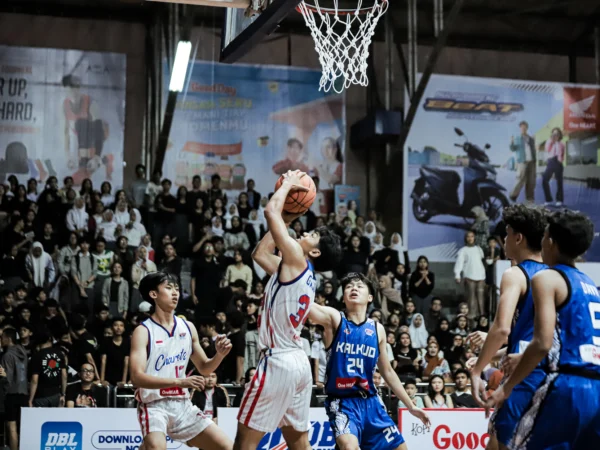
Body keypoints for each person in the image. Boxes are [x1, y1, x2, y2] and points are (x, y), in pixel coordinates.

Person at [235, 170, 342, 450]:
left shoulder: (296, 256)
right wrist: (289, 217)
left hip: (278, 361)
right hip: (299, 363)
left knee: (243, 445)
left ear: (315, 253)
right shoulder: (301, 273)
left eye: (313, 234)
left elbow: (270, 211)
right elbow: (259, 254)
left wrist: (289, 189)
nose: (306, 232)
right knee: (299, 445)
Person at [486, 210, 599, 449]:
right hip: (596, 388)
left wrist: (506, 387)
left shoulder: (547, 278)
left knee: (510, 444)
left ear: (550, 242)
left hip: (567, 386)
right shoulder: (590, 284)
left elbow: (542, 343)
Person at [308, 272, 430, 450]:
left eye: (359, 285)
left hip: (371, 402)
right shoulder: (335, 319)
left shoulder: (377, 329)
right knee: (350, 447)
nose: (354, 288)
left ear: (370, 297)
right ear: (343, 298)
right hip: (343, 402)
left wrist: (411, 406)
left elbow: (387, 371)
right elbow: (307, 307)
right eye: (349, 286)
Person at [469, 204, 548, 450]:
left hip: (525, 376)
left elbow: (501, 329)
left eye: (506, 233)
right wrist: (497, 353)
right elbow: (543, 337)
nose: (503, 239)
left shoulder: (515, 274)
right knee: (494, 444)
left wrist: (478, 369)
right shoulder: (557, 275)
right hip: (549, 372)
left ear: (518, 237)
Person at [129, 272, 234, 450]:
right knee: (156, 447)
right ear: (153, 294)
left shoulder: (188, 327)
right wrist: (180, 381)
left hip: (183, 406)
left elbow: (205, 368)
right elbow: (137, 378)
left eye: (177, 289)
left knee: (228, 447)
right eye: (168, 288)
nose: (175, 293)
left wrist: (219, 355)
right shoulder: (143, 331)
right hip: (153, 405)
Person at [1, 328, 29, 450]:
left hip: (12, 394)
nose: (1, 340)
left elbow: (8, 378)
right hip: (24, 394)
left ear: (8, 338)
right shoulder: (23, 352)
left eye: (2, 337)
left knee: (11, 427)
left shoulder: (7, 355)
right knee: (22, 427)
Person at [509, 120, 536, 203]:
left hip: (531, 162)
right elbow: (513, 148)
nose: (523, 128)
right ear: (520, 128)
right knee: (520, 179)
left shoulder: (531, 138)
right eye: (522, 127)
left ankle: (530, 198)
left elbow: (533, 150)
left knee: (531, 181)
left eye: (524, 126)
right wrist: (512, 142)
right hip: (522, 161)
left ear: (527, 128)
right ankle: (513, 195)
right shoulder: (517, 138)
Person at [542, 127, 565, 206]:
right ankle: (548, 199)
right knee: (545, 179)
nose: (555, 135)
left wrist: (560, 160)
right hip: (551, 161)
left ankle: (559, 199)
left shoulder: (562, 144)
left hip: (558, 162)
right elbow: (547, 149)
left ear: (559, 135)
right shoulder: (549, 141)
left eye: (557, 134)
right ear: (552, 135)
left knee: (559, 182)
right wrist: (551, 141)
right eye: (554, 134)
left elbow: (562, 154)